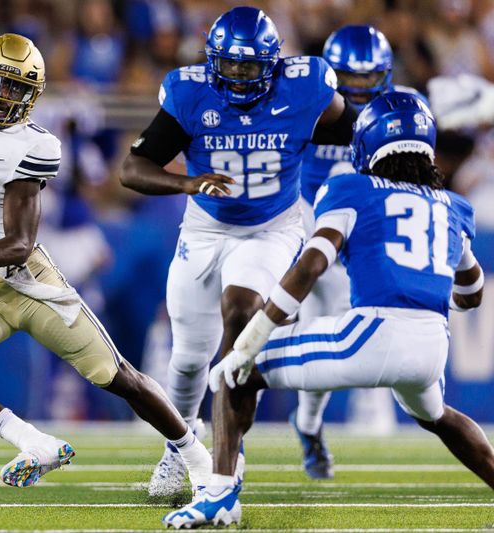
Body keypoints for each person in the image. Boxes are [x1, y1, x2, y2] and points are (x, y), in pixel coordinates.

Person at [0, 33, 212, 489]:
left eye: (18, 90)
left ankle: (194, 454)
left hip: (28, 285)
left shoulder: (30, 144)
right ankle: (34, 442)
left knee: (116, 376)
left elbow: (21, 243)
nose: (6, 98)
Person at [167, 91, 494, 528]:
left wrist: (256, 333)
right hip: (433, 344)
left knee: (234, 371)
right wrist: (435, 295)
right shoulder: (453, 206)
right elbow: (472, 291)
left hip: (371, 334)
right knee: (437, 415)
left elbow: (311, 265)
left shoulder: (351, 187)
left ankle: (220, 495)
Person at [120, 6, 357, 498]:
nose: (239, 77)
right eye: (230, 65)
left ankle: (230, 442)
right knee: (187, 359)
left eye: (250, 67)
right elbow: (133, 168)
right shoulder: (191, 94)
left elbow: (354, 130)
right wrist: (188, 182)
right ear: (212, 61)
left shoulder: (305, 87)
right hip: (205, 230)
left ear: (273, 63)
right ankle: (179, 449)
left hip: (273, 228)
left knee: (241, 308)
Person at [294, 24, 430, 479]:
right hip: (314, 223)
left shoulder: (403, 109)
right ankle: (312, 420)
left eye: (367, 79)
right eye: (347, 78)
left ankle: (328, 420)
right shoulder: (309, 106)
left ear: (385, 75)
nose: (355, 90)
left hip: (373, 230)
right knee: (321, 320)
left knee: (356, 317)